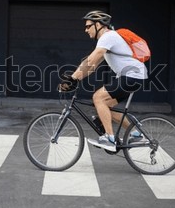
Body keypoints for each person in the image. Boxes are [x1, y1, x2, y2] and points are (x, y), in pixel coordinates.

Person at [59, 10, 148, 151]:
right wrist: (76, 80)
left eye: (88, 26)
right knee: (108, 108)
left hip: (132, 76)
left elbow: (92, 58)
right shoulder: (107, 41)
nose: (85, 30)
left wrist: (73, 78)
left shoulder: (108, 36)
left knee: (98, 97)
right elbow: (92, 66)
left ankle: (109, 138)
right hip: (134, 76)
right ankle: (136, 134)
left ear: (99, 24)